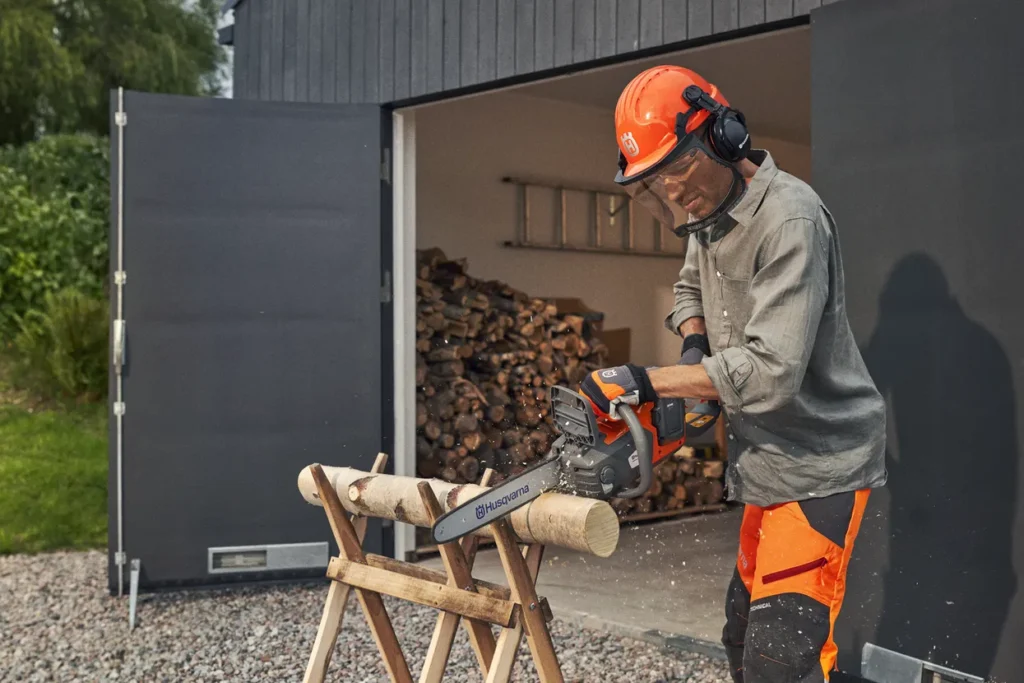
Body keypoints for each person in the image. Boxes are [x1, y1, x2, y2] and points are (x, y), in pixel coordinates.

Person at [579, 65, 888, 683]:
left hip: (816, 467)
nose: (672, 194)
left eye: (677, 171)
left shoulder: (790, 218)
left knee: (785, 660)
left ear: (722, 136)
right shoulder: (708, 212)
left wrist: (651, 381)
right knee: (742, 635)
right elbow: (691, 285)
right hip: (761, 463)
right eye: (653, 183)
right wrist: (695, 351)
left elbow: (773, 371)